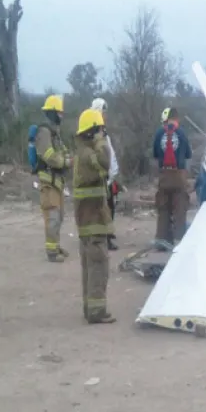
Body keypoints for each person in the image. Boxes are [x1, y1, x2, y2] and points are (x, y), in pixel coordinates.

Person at [73, 108, 115, 324]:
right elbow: (106, 161)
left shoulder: (83, 153)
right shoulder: (89, 154)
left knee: (90, 265)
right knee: (98, 265)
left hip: (90, 218)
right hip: (93, 219)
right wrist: (101, 140)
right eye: (99, 130)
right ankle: (97, 311)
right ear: (91, 132)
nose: (102, 134)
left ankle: (91, 308)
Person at [35, 94, 71, 262]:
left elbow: (62, 151)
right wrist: (64, 162)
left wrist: (68, 159)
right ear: (52, 112)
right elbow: (49, 155)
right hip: (48, 182)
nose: (61, 116)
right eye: (59, 112)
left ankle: (55, 245)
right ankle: (51, 252)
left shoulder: (55, 132)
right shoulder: (44, 132)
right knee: (53, 216)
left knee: (60, 215)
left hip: (57, 181)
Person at [152, 107, 192, 244]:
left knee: (163, 207)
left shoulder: (158, 133)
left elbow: (155, 154)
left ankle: (162, 238)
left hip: (164, 175)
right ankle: (179, 239)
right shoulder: (181, 133)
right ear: (177, 118)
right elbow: (188, 155)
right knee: (180, 206)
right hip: (178, 175)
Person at [90, 97, 120, 251]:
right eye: (103, 112)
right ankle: (103, 239)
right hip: (101, 179)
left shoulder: (103, 132)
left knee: (110, 207)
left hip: (109, 179)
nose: (106, 116)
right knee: (102, 209)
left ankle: (107, 236)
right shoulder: (93, 132)